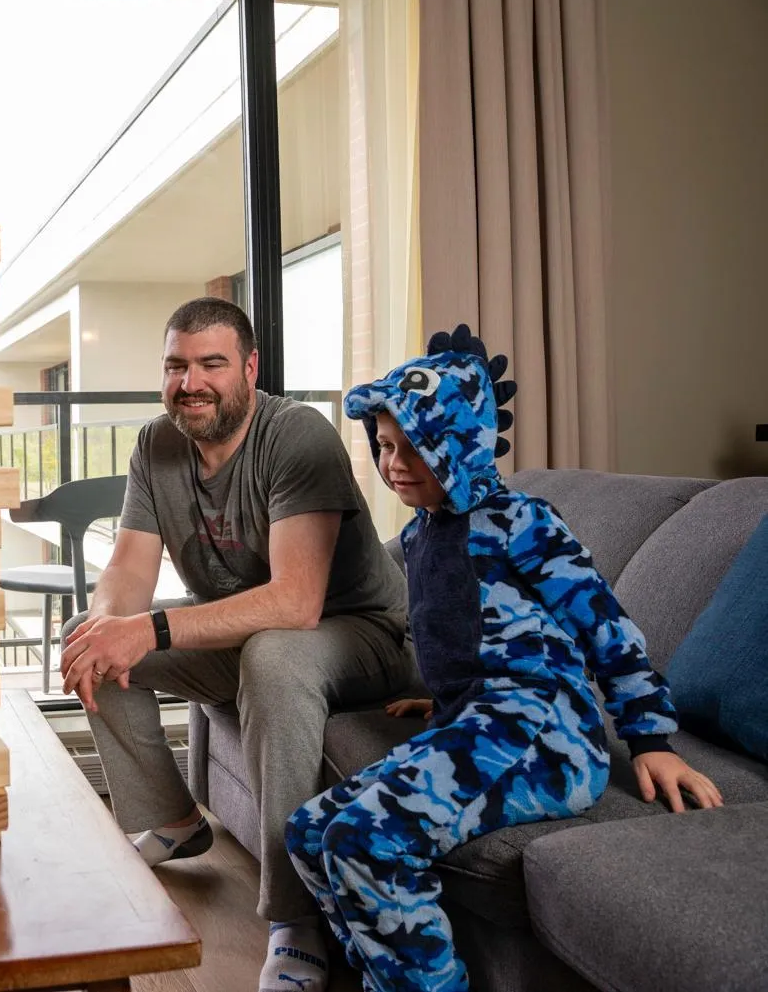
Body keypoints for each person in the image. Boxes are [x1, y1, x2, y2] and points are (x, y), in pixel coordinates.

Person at [284, 325, 723, 992]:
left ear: (459, 444)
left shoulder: (523, 521)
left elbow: (603, 624)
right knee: (311, 828)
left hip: (547, 735)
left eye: (415, 447)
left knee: (365, 840)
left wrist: (649, 737)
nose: (395, 463)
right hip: (482, 719)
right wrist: (448, 700)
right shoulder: (421, 532)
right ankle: (385, 971)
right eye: (384, 445)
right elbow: (472, 635)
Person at [57, 296, 414, 992]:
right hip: (253, 633)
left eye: (211, 364)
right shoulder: (156, 445)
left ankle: (295, 921)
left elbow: (295, 600)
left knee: (273, 652)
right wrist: (107, 625)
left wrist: (150, 628)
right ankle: (172, 818)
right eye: (176, 365)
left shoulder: (297, 436)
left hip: (362, 635)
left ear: (249, 368)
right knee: (88, 632)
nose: (190, 382)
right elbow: (129, 569)